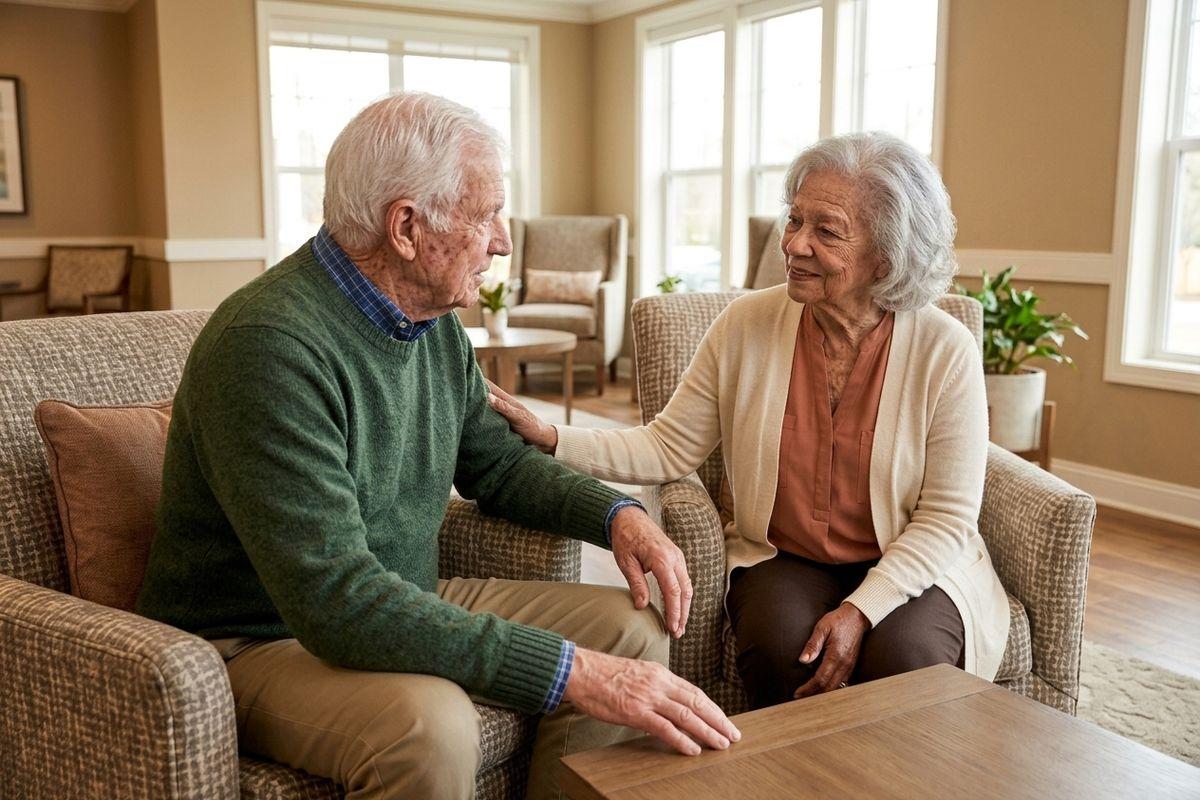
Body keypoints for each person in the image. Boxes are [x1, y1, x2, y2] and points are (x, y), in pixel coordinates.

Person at [135, 92, 738, 800]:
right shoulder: (268, 348)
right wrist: (572, 671)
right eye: (486, 215)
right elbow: (337, 600)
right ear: (406, 227)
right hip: (253, 641)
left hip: (397, 594)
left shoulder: (430, 322)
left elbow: (499, 465)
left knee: (630, 625)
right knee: (430, 727)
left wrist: (618, 517)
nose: (504, 241)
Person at [488, 132, 1011, 711]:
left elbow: (946, 517)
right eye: (794, 221)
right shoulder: (746, 326)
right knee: (782, 651)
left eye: (826, 231)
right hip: (788, 557)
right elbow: (667, 447)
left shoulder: (945, 350)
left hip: (916, 562)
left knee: (905, 662)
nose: (794, 245)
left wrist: (861, 610)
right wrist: (553, 436)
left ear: (886, 255)